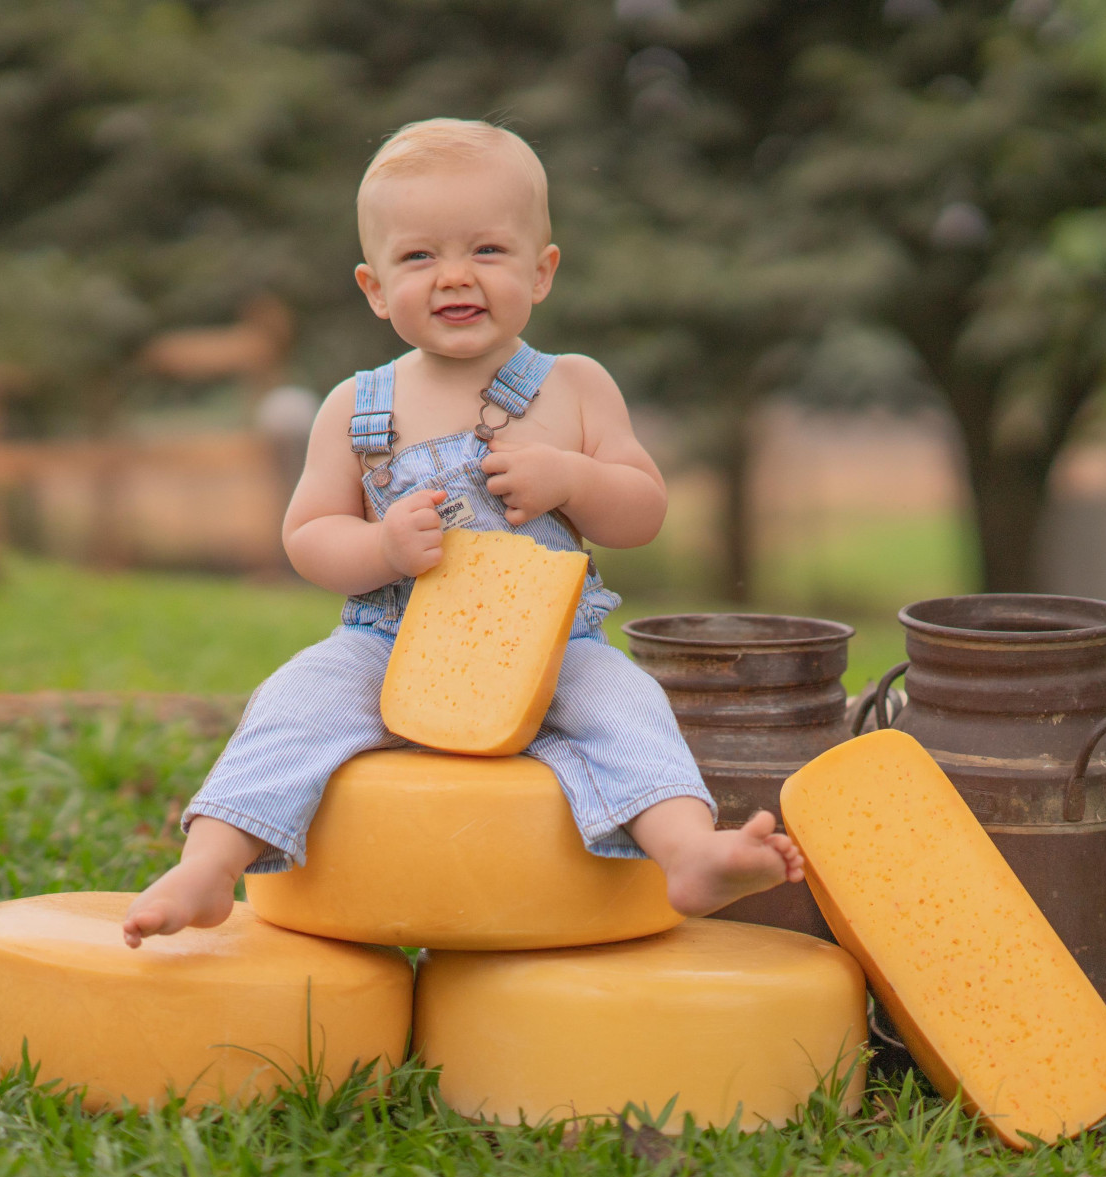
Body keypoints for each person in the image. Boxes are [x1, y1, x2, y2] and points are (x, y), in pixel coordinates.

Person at [122, 118, 802, 948]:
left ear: (541, 271)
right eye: (419, 258)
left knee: (627, 705)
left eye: (486, 251)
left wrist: (574, 478)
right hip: (388, 641)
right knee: (294, 702)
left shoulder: (575, 387)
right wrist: (378, 550)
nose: (454, 277)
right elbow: (307, 535)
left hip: (551, 649)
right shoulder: (355, 407)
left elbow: (644, 509)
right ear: (374, 288)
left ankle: (690, 853)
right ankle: (208, 866)